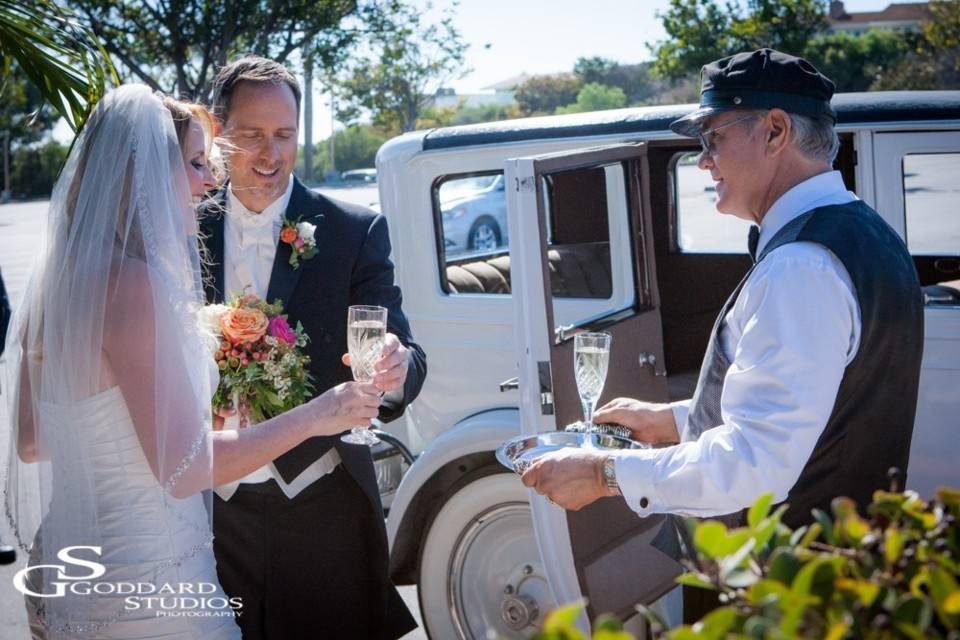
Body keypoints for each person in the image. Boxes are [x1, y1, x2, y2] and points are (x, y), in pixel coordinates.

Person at [2, 85, 384, 639]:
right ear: (145, 177)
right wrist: (321, 413)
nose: (211, 180)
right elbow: (183, 471)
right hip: (153, 581)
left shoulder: (59, 285)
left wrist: (158, 427)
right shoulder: (133, 285)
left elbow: (31, 440)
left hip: (73, 565)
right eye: (197, 163)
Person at [522, 50, 923, 538]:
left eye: (714, 138)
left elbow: (756, 461)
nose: (703, 161)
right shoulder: (861, 230)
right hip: (838, 567)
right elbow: (805, 409)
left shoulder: (800, 267)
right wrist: (671, 419)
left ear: (776, 131)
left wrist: (602, 472)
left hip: (782, 583)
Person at [198, 56, 424, 639]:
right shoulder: (182, 228)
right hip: (206, 515)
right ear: (218, 133)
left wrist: (395, 368)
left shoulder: (353, 230)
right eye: (251, 136)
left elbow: (409, 357)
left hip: (323, 507)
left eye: (284, 135)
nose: (270, 155)